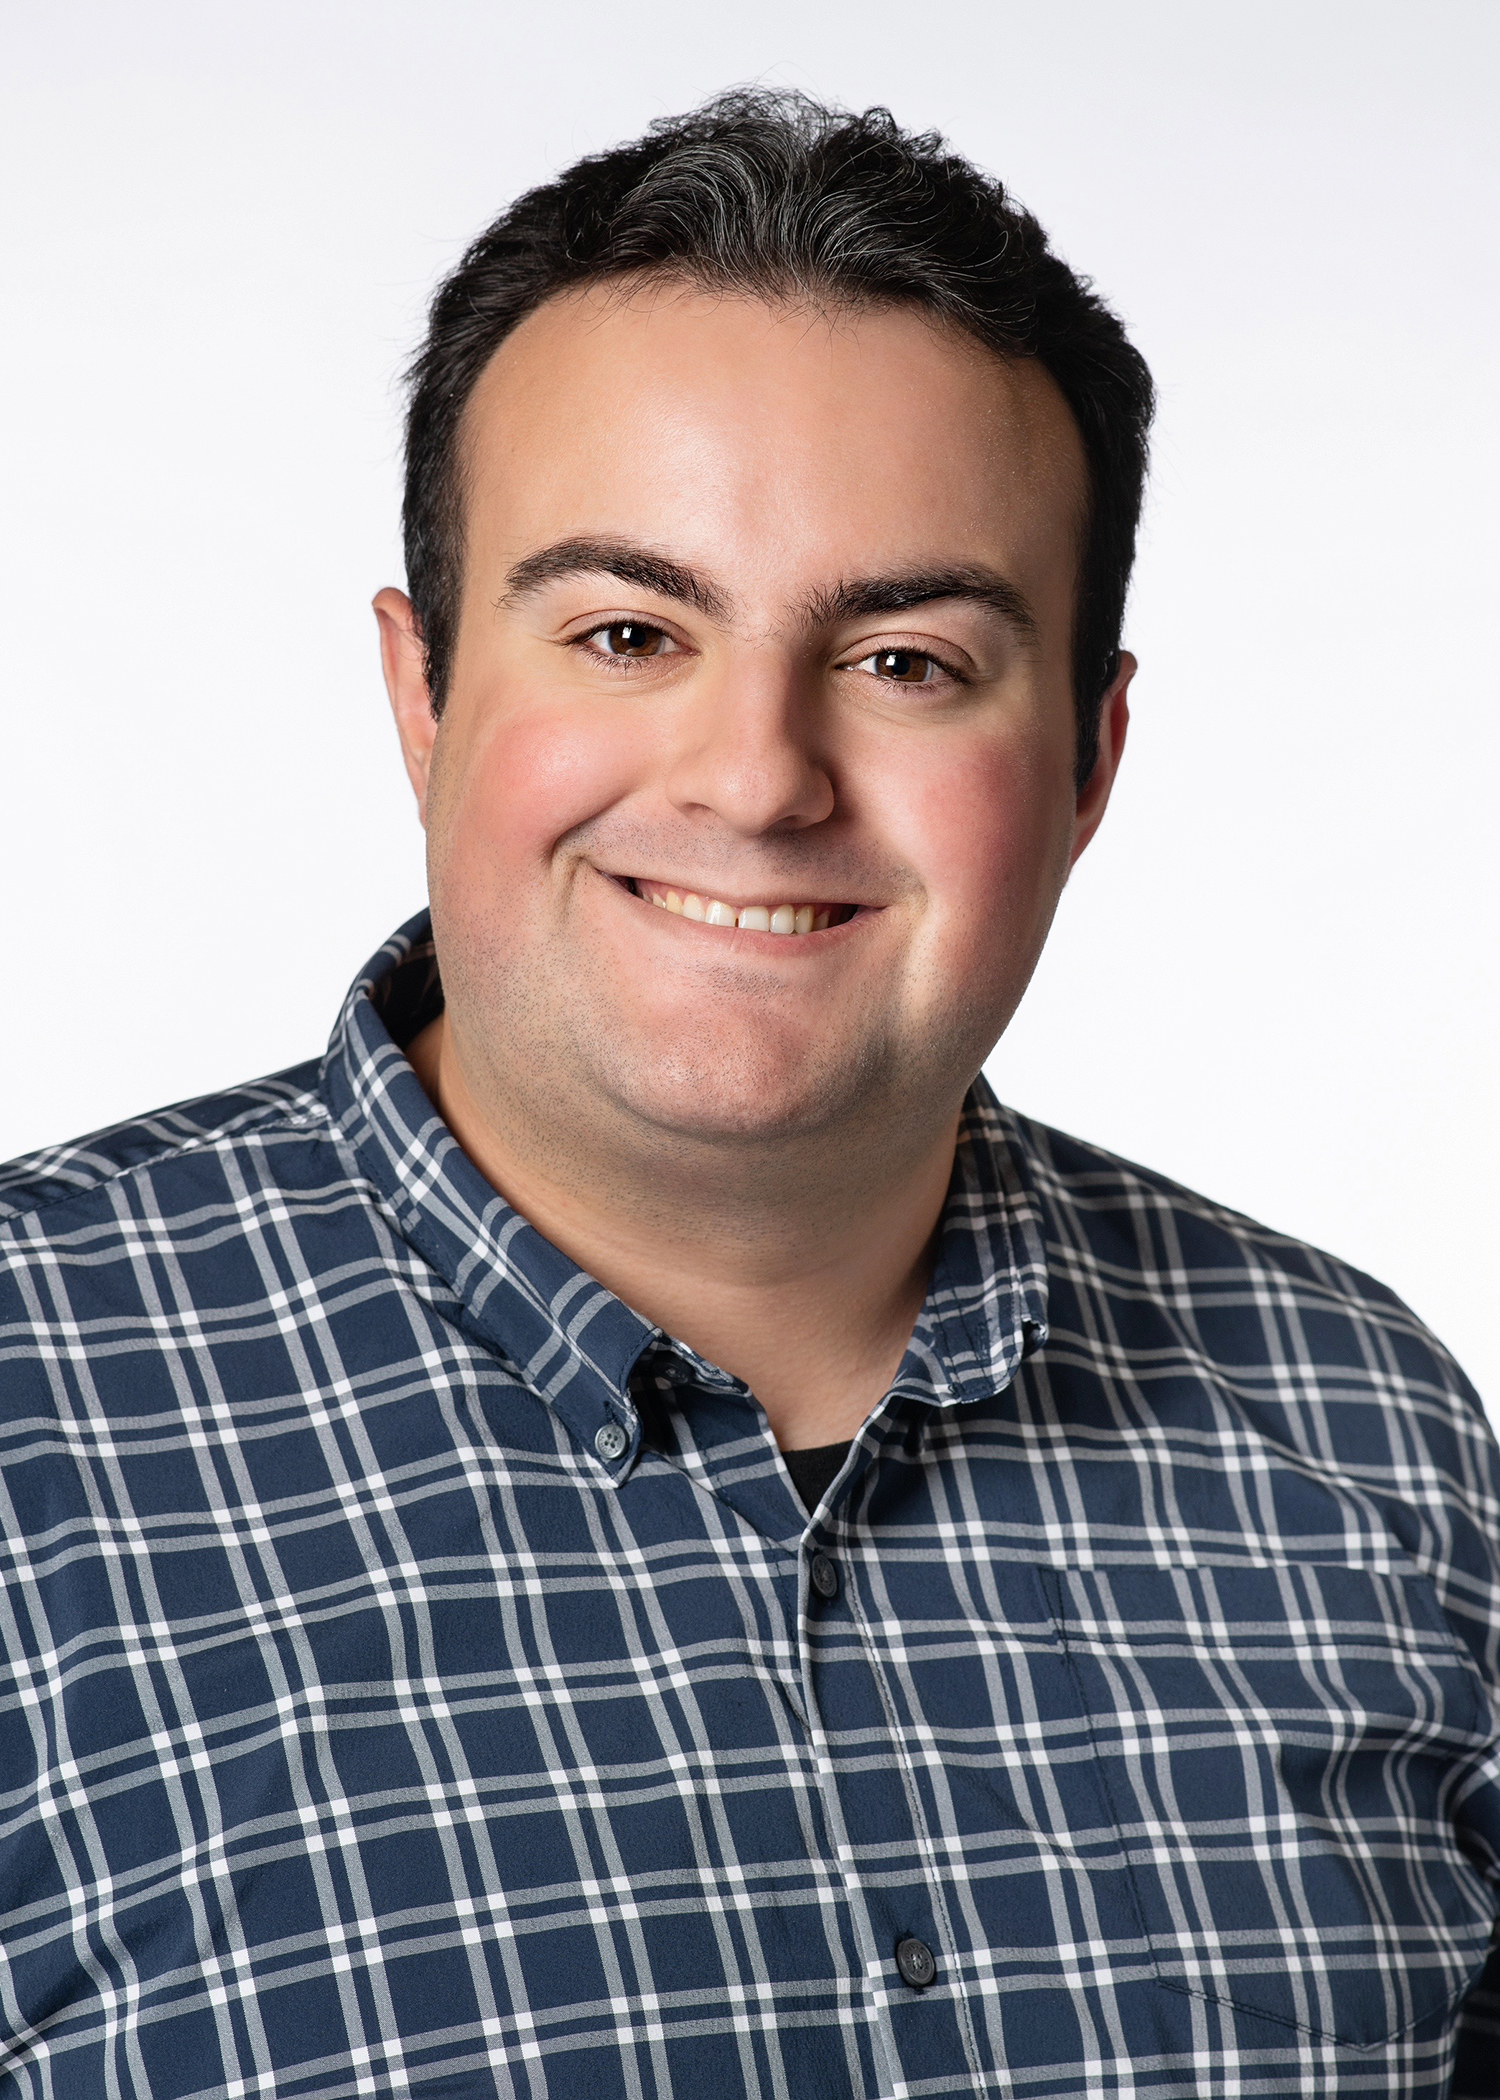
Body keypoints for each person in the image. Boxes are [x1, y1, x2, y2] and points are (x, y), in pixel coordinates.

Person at [1, 89, 1495, 2100]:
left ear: (1089, 762)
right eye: (629, 631)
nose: (759, 778)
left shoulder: (1376, 1435)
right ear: (423, 695)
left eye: (908, 661)